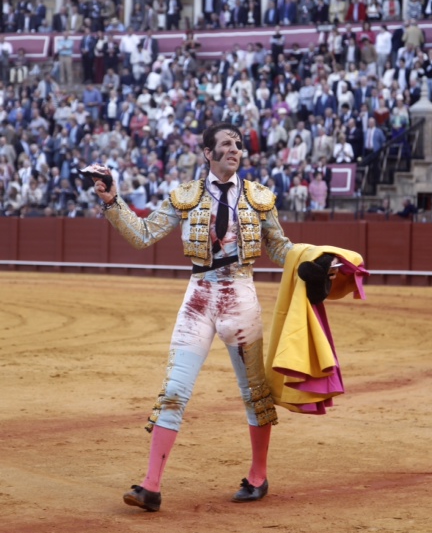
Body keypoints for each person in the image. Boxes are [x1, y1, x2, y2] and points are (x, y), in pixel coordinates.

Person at [92, 123, 294, 511]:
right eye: (225, 144)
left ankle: (258, 477)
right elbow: (144, 234)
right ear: (207, 153)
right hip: (199, 295)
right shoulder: (186, 196)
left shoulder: (259, 198)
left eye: (237, 144)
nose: (234, 149)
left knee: (255, 393)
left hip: (240, 296)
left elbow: (281, 248)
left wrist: (313, 260)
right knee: (174, 390)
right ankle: (151, 486)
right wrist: (113, 201)